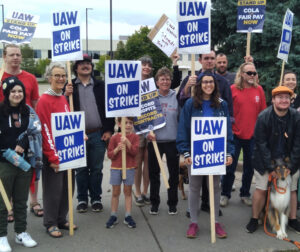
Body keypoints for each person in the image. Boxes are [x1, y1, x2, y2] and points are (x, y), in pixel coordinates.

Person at [176, 71, 234, 239]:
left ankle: (215, 222)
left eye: (211, 82)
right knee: (194, 187)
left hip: (215, 152)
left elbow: (227, 131)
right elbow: (183, 129)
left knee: (215, 187)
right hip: (195, 153)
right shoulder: (190, 104)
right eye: (205, 82)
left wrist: (229, 152)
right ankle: (193, 222)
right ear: (200, 85)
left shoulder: (222, 104)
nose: (208, 85)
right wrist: (185, 151)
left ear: (215, 85)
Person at [64, 54, 115, 213]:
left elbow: (110, 109)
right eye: (81, 63)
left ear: (91, 67)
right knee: (80, 169)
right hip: (78, 134)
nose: (85, 66)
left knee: (97, 168)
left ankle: (96, 198)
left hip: (98, 134)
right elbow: (61, 108)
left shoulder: (101, 86)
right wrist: (65, 95)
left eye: (88, 63)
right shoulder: (69, 87)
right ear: (76, 67)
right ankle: (81, 199)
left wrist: (108, 130)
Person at [246, 86, 300, 233]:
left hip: (289, 160)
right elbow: (261, 145)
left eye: (287, 98)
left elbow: (298, 143)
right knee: (261, 189)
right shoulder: (263, 117)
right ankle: (254, 218)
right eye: (280, 97)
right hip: (265, 160)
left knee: (293, 189)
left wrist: (291, 166)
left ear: (290, 100)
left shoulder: (296, 117)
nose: (284, 100)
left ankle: (293, 219)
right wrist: (271, 169)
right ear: (274, 100)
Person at [0, 44, 43, 220]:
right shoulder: (0, 77)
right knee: (8, 171)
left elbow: (35, 104)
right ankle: (7, 204)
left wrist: (35, 129)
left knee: (32, 165)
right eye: (12, 55)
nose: (16, 58)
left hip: (28, 132)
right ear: (5, 57)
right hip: (6, 133)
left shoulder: (30, 78)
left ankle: (34, 201)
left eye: (18, 54)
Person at [36, 62, 77, 238]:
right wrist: (52, 157)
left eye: (63, 75)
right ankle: (51, 222)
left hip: (68, 152)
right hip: (53, 154)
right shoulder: (44, 100)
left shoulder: (62, 98)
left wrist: (78, 136)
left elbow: (67, 126)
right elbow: (45, 130)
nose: (61, 79)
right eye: (57, 75)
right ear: (49, 78)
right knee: (53, 190)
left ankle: (61, 218)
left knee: (67, 187)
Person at [0, 77, 40, 251]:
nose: (17, 94)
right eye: (13, 91)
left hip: (24, 163)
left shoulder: (28, 111)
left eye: (20, 91)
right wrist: (7, 150)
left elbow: (34, 131)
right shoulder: (0, 111)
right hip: (4, 163)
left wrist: (22, 145)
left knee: (21, 201)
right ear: (7, 93)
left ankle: (20, 232)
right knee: (2, 202)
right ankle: (1, 236)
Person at [220, 62, 266, 207]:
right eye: (249, 73)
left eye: (254, 73)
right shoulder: (232, 89)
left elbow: (263, 114)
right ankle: (225, 194)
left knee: (249, 168)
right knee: (229, 167)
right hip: (234, 136)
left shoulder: (259, 90)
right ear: (242, 74)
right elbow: (225, 111)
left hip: (253, 137)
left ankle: (245, 193)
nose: (252, 75)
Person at [147, 67, 180, 215]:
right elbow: (144, 118)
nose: (165, 82)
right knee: (154, 174)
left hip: (173, 141)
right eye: (162, 79)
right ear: (157, 82)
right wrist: (148, 132)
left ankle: (172, 203)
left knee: (173, 174)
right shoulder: (150, 98)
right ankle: (154, 202)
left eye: (167, 79)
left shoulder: (177, 97)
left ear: (171, 81)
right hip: (155, 142)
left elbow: (182, 118)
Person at [106, 117, 139, 229]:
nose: (128, 125)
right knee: (115, 192)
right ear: (119, 124)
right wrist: (117, 149)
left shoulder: (135, 137)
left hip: (129, 168)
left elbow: (134, 152)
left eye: (130, 123)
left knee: (128, 192)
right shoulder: (114, 138)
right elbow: (110, 155)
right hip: (116, 168)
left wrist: (128, 143)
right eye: (125, 123)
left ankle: (128, 215)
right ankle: (113, 215)